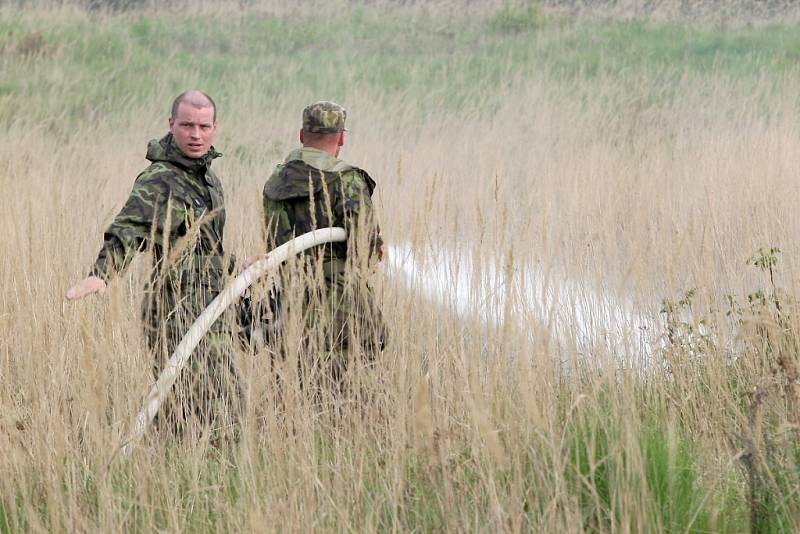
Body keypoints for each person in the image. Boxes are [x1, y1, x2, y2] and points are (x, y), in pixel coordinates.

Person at [66, 90, 243, 437]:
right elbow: (130, 229)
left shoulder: (206, 178)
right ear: (171, 124)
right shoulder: (160, 178)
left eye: (204, 126)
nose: (196, 135)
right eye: (188, 125)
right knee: (214, 408)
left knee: (195, 407)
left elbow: (200, 245)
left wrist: (238, 264)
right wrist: (102, 274)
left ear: (215, 128)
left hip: (209, 304)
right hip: (175, 308)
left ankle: (173, 477)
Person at [258, 100, 387, 389]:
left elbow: (275, 243)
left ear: (302, 135)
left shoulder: (276, 183)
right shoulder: (348, 179)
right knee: (352, 390)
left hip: (292, 299)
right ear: (341, 137)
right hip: (344, 305)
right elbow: (362, 248)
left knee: (295, 387)